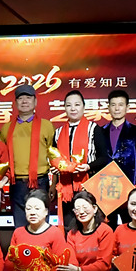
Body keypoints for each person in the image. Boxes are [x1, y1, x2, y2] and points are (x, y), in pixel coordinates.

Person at [0, 85, 55, 229]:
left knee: (41, 227)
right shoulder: (6, 128)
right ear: (15, 103)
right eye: (20, 98)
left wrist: (54, 184)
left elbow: (55, 157)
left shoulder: (47, 126)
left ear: (35, 102)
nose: (24, 101)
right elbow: (0, 157)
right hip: (16, 184)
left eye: (28, 98)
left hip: (40, 182)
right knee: (20, 227)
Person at [51, 90, 96, 228]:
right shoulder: (58, 132)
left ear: (83, 106)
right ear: (64, 108)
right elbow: (54, 159)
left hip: (87, 184)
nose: (73, 108)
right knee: (69, 227)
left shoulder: (93, 128)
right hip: (65, 188)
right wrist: (53, 182)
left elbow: (104, 158)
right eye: (69, 105)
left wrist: (88, 166)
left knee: (88, 225)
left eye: (77, 104)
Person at [90, 88, 136, 185]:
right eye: (113, 105)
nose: (117, 108)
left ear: (127, 107)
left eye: (120, 105)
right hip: (104, 184)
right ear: (108, 108)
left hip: (128, 183)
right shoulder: (100, 131)